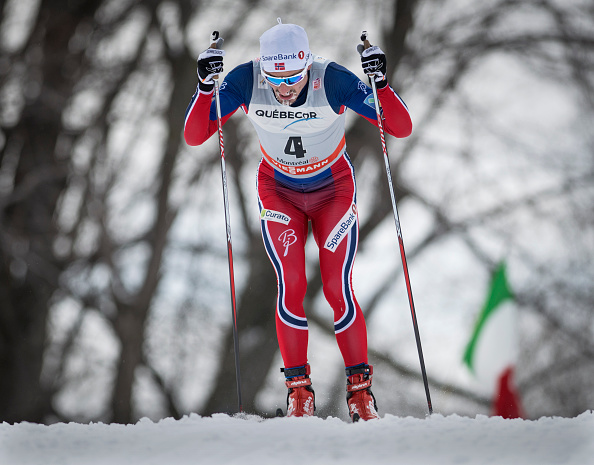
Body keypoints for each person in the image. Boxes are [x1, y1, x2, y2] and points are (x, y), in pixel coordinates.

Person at [184, 19, 412, 421]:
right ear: (263, 68)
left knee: (335, 286)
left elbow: (399, 126)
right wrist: (205, 89)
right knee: (290, 285)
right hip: (280, 190)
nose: (285, 89)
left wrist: (382, 84)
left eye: (293, 78)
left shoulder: (334, 80)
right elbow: (195, 134)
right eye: (276, 79)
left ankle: (360, 394)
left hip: (333, 191)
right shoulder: (245, 79)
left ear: (308, 65)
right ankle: (298, 393)